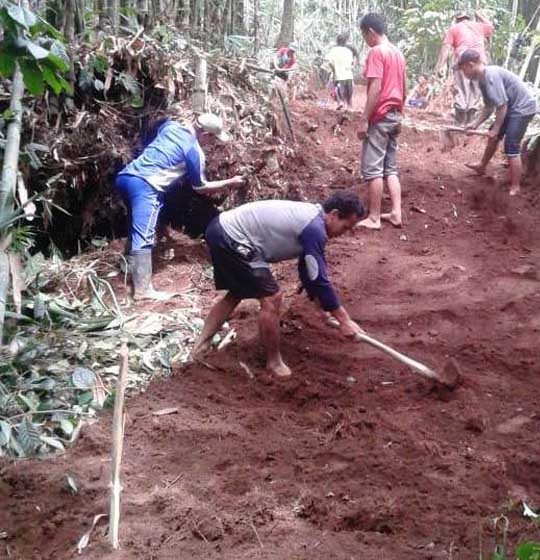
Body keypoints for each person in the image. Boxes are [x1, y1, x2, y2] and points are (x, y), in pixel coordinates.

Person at [191, 192, 366, 377]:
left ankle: (199, 347)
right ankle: (273, 363)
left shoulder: (312, 219)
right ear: (334, 214)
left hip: (224, 230)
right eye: (345, 227)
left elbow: (308, 270)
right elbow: (319, 278)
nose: (343, 233)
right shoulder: (315, 228)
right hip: (231, 236)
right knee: (272, 298)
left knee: (236, 293)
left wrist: (322, 307)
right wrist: (344, 320)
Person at [115, 114, 245, 300]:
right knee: (144, 235)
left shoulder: (171, 127)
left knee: (138, 225)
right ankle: (143, 291)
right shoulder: (193, 150)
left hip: (126, 177)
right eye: (212, 138)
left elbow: (160, 128)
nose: (210, 143)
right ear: (206, 135)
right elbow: (200, 187)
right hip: (146, 185)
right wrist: (229, 183)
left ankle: (129, 263)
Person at [458, 49, 538, 196]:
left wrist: (496, 129)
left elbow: (502, 106)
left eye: (463, 69)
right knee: (493, 136)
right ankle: (482, 166)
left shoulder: (490, 76)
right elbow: (489, 106)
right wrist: (474, 124)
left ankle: (515, 186)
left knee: (511, 146)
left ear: (470, 65)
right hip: (511, 107)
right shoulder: (481, 80)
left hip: (522, 108)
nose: (463, 73)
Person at [356, 12, 406, 230]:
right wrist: (401, 113)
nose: (365, 41)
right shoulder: (397, 53)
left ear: (371, 32)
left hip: (381, 115)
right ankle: (396, 213)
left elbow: (375, 88)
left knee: (373, 168)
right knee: (390, 168)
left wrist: (365, 119)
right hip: (395, 114)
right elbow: (403, 85)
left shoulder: (377, 52)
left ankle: (374, 218)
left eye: (364, 36)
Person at [434, 11, 494, 126]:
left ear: (457, 19)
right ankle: (470, 122)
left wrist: (439, 67)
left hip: (463, 62)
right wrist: (480, 15)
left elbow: (445, 48)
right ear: (468, 18)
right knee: (475, 93)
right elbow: (491, 27)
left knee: (461, 91)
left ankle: (460, 123)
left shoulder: (454, 28)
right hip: (479, 62)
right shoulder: (479, 26)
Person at [326, 33, 355, 109]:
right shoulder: (348, 51)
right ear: (345, 42)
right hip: (349, 76)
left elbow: (330, 62)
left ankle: (340, 103)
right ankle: (349, 108)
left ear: (337, 41)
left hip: (338, 76)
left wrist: (334, 70)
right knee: (349, 97)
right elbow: (352, 63)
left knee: (336, 93)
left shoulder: (333, 51)